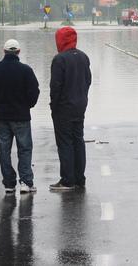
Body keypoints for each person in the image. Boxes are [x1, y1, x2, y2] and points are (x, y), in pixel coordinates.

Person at [0, 39, 40, 194]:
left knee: (4, 150)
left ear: (4, 51)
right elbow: (34, 92)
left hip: (2, 117)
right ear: (19, 52)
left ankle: (9, 183)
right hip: (21, 116)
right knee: (25, 149)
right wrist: (28, 105)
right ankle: (26, 182)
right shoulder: (26, 70)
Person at [49, 26, 92, 191]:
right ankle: (80, 178)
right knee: (78, 140)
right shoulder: (83, 57)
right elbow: (88, 80)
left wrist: (54, 106)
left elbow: (55, 86)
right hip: (80, 106)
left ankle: (67, 180)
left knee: (65, 142)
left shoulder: (59, 60)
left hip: (64, 108)